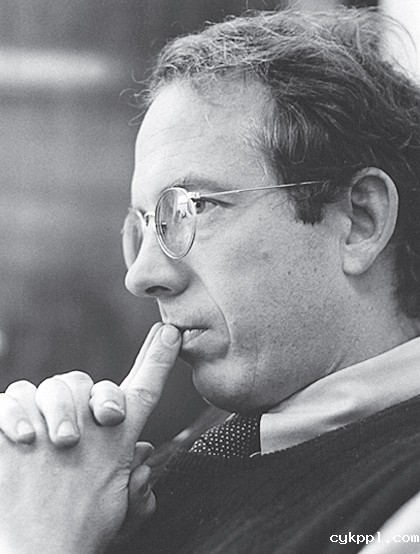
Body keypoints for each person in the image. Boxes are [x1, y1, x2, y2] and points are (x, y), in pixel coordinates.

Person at [1, 6, 420, 553]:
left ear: (360, 221)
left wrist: (37, 536)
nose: (141, 276)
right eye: (143, 226)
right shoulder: (206, 444)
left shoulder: (403, 513)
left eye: (191, 209)